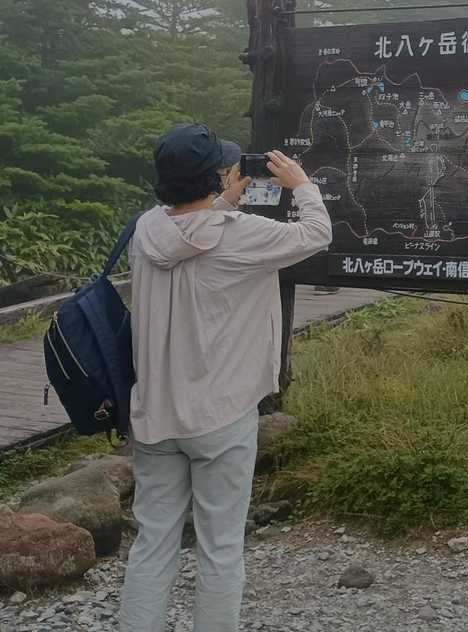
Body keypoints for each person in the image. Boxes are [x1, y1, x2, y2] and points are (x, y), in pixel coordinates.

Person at [118, 123, 332, 632]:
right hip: (221, 415)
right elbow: (316, 233)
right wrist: (302, 185)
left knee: (152, 543)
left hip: (155, 415)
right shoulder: (243, 233)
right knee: (220, 547)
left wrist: (221, 200)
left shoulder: (145, 230)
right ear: (216, 177)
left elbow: (188, 233)